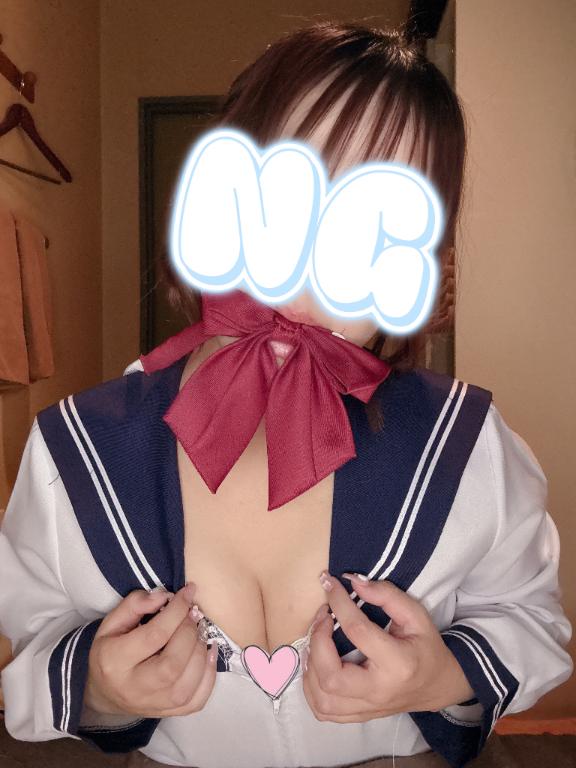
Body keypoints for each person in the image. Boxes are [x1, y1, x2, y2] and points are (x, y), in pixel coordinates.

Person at [0, 21, 573, 768]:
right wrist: (100, 689)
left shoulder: (467, 444)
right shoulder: (74, 450)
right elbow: (30, 643)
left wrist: (446, 676)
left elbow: (530, 617)